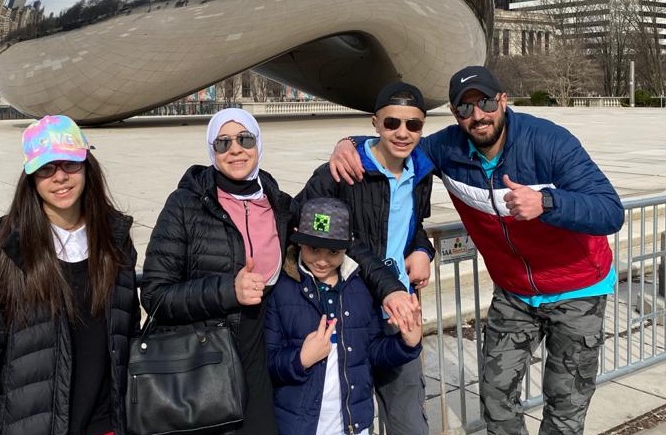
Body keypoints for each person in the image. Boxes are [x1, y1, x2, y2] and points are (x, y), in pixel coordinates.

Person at [329, 65, 625, 435]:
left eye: (485, 102)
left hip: (578, 287)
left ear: (502, 101)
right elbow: (396, 141)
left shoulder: (549, 142)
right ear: (455, 114)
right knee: (495, 395)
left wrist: (548, 202)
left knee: (565, 406)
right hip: (515, 293)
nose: (478, 115)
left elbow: (610, 211)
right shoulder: (448, 148)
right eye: (465, 108)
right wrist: (348, 145)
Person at [0, 115, 139, 435]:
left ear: (86, 165)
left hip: (106, 426)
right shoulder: (7, 258)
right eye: (46, 168)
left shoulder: (115, 244)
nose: (60, 178)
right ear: (31, 178)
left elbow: (126, 337)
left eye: (70, 163)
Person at [140, 108, 294, 435]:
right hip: (204, 365)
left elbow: (332, 229)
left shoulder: (279, 205)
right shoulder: (185, 204)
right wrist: (227, 290)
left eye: (245, 139)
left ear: (258, 144)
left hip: (259, 362)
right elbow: (155, 295)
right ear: (212, 151)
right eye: (223, 143)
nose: (235, 149)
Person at [295, 81, 435, 435]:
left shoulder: (421, 172)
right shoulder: (342, 170)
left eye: (413, 125)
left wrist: (422, 249)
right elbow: (304, 222)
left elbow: (412, 224)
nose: (402, 133)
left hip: (399, 312)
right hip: (348, 310)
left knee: (408, 419)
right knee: (345, 420)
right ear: (375, 123)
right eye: (392, 123)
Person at [265, 197, 423, 435]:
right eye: (313, 248)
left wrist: (406, 343)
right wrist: (300, 359)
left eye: (333, 251)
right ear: (298, 239)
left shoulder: (359, 287)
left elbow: (370, 352)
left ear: (348, 245)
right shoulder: (281, 290)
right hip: (299, 426)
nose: (321, 260)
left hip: (353, 425)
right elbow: (267, 362)